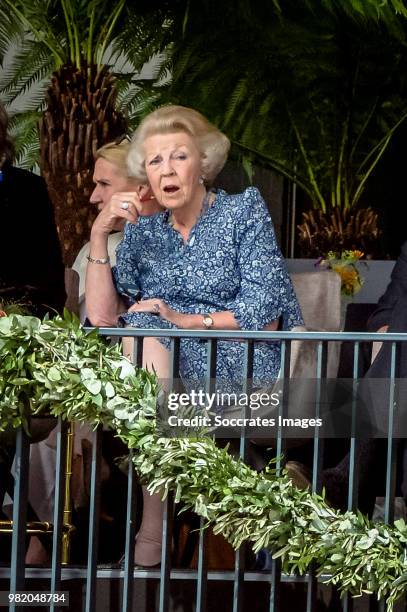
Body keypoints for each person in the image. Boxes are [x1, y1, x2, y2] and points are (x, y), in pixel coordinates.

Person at [86, 105, 303, 566]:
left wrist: (184, 321)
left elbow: (263, 314)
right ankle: (161, 514)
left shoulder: (242, 211)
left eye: (178, 157)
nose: (166, 170)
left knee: (148, 333)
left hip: (240, 361)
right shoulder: (144, 234)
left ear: (202, 163)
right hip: (165, 368)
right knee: (140, 331)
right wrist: (101, 234)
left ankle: (155, 527)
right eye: (155, 160)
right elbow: (104, 318)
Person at [72, 138, 161, 321]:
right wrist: (98, 233)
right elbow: (98, 324)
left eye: (104, 184)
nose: (93, 198)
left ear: (142, 188)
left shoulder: (183, 238)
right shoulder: (94, 247)